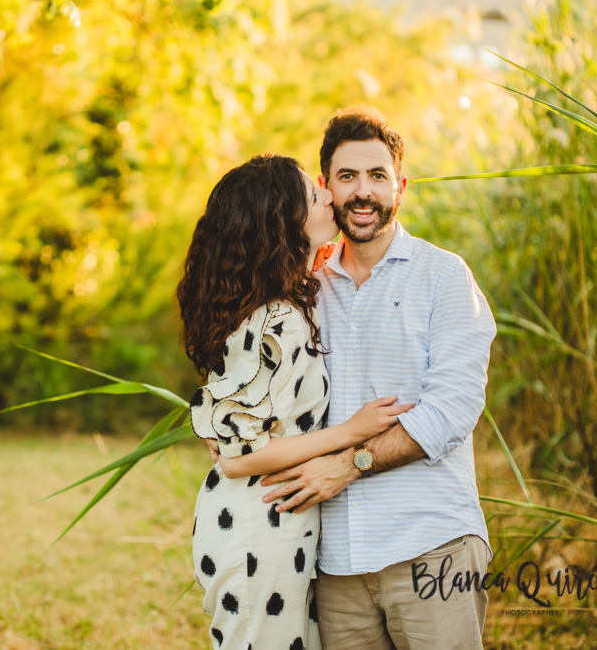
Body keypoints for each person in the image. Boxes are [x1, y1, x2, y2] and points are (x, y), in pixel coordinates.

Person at [258, 106, 497, 649]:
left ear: (400, 187)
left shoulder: (444, 277)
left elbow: (452, 410)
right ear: (326, 187)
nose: (362, 192)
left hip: (430, 543)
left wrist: (350, 464)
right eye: (347, 177)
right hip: (333, 560)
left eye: (376, 176)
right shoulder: (305, 289)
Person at [178, 154, 413, 650]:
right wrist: (352, 431)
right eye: (313, 194)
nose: (330, 194)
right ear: (284, 221)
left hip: (276, 526)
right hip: (258, 531)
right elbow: (240, 459)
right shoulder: (277, 319)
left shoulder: (284, 303)